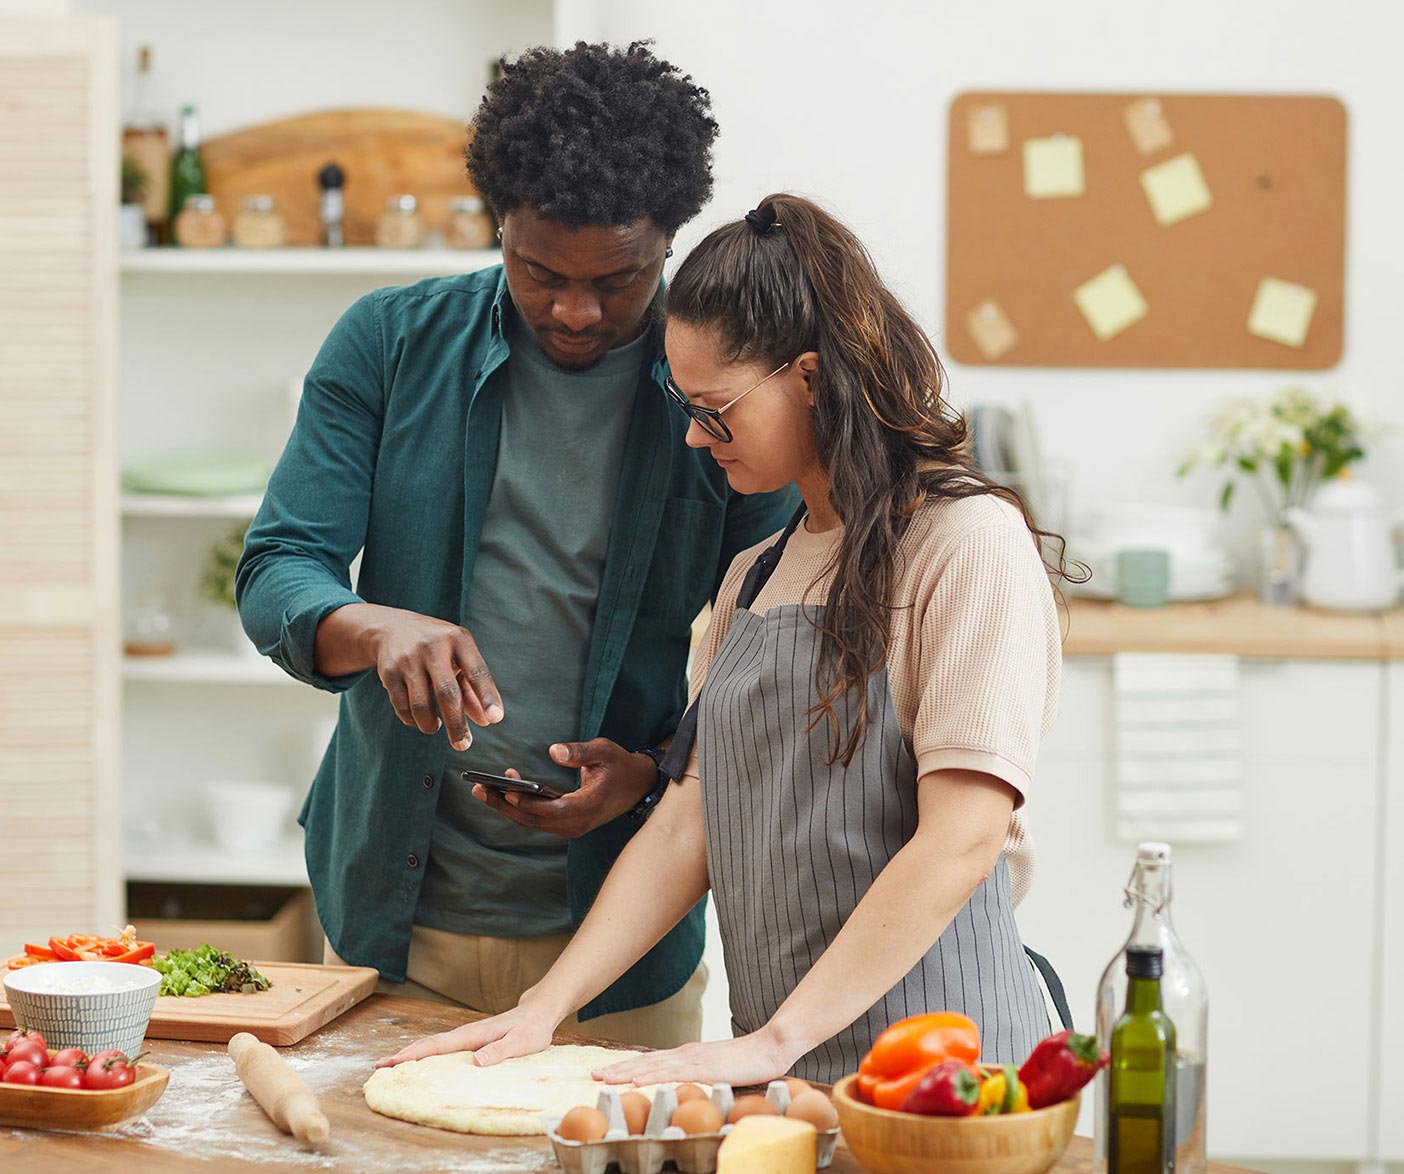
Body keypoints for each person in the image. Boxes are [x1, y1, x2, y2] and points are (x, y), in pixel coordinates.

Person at [378, 194, 1071, 1085]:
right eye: (686, 407)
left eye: (717, 410)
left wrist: (774, 1042)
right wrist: (541, 1009)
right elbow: (687, 828)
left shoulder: (962, 542)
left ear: (812, 379)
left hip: (946, 1080)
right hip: (783, 1073)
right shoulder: (754, 575)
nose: (699, 441)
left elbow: (964, 838)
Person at [235, 45, 799, 1048]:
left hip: (619, 942)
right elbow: (278, 565)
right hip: (390, 922)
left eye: (619, 279)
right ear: (498, 227)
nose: (576, 311)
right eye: (538, 272)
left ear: (670, 240)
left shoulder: (729, 394)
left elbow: (777, 651)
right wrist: (375, 629)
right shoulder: (391, 342)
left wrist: (655, 771)